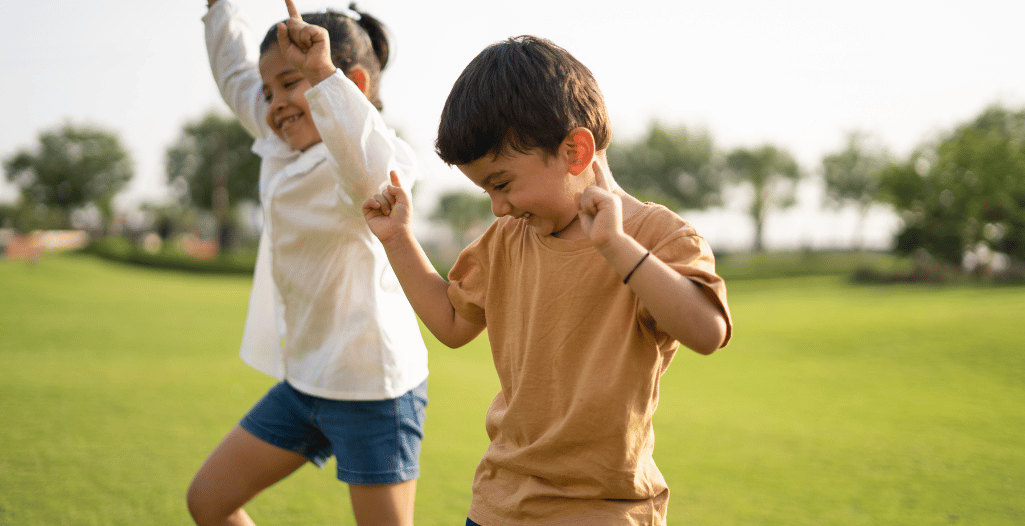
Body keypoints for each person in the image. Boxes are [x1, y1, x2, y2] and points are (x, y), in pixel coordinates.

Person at [362, 35, 733, 526]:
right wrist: (398, 240)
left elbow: (708, 332)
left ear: (575, 151)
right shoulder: (507, 238)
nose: (498, 206)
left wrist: (616, 247)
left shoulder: (656, 237)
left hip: (603, 508)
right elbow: (452, 322)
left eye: (502, 183)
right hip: (500, 501)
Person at [187, 1, 429, 525]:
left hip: (374, 392)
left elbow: (372, 174)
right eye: (268, 90)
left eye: (290, 84)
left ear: (352, 85)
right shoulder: (281, 143)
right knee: (208, 501)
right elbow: (233, 73)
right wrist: (218, 6)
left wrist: (320, 73)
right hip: (307, 384)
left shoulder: (368, 157)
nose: (273, 104)